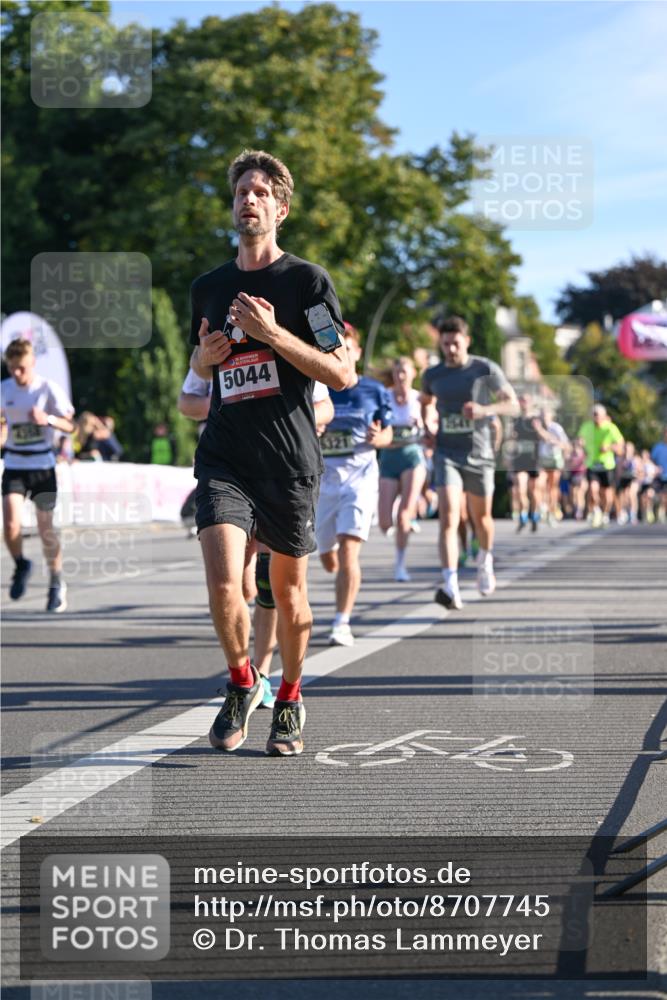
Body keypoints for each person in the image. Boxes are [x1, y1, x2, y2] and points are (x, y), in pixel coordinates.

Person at [188, 149, 347, 757]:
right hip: (225, 457)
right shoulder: (208, 288)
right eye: (240, 193)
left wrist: (272, 334)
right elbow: (199, 365)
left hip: (288, 460)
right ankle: (240, 682)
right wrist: (205, 359)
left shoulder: (306, 284)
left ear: (280, 208)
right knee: (227, 583)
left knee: (288, 594)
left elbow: (342, 373)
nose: (247, 200)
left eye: (259, 192)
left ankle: (290, 695)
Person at [178, 366, 334, 707]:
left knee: (269, 581)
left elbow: (326, 405)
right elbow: (186, 402)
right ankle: (244, 674)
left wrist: (284, 411)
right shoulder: (219, 322)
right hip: (228, 467)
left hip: (280, 467)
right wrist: (231, 404)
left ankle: (261, 674)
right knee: (237, 586)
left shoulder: (292, 329)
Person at [420, 316, 517, 609]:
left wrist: (485, 409)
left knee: (481, 519)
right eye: (446, 343)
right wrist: (428, 428)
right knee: (449, 517)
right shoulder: (432, 374)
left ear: (467, 341)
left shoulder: (484, 369)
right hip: (447, 452)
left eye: (455, 343)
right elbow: (424, 403)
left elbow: (512, 404)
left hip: (479, 454)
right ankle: (450, 584)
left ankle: (485, 561)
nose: (450, 349)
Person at [316, 323, 393, 645]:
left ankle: (341, 622)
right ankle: (333, 561)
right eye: (335, 350)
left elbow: (389, 433)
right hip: (323, 482)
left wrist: (381, 438)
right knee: (327, 557)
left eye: (346, 349)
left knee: (350, 552)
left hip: (360, 480)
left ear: (357, 353)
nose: (341, 355)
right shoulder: (319, 388)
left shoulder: (375, 391)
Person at [1, 338, 74, 611]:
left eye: (21, 368)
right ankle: (21, 564)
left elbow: (73, 426)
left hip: (43, 466)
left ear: (31, 363)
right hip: (15, 465)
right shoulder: (4, 389)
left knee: (46, 530)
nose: (16, 374)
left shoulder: (47, 388)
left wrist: (49, 419)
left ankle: (56, 581)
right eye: (11, 368)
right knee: (10, 526)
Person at [378, 356, 426, 582]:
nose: (401, 376)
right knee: (385, 522)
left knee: (404, 516)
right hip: (389, 457)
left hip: (411, 456)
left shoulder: (419, 399)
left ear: (413, 374)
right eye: (397, 372)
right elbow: (374, 421)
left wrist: (424, 426)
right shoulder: (384, 396)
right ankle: (407, 507)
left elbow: (432, 424)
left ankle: (400, 565)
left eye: (405, 372)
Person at [577, 404, 624, 527]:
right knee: (593, 490)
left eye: (597, 415)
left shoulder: (611, 428)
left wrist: (609, 447)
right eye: (593, 415)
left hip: (607, 465)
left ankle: (605, 513)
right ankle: (596, 511)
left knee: (607, 496)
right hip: (592, 464)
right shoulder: (587, 427)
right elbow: (580, 439)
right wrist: (580, 443)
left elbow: (620, 447)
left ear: (603, 416)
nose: (595, 417)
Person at [509, 394, 544, 533]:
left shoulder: (536, 420)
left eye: (525, 400)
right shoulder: (516, 420)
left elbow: (543, 437)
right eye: (521, 400)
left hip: (533, 460)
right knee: (520, 489)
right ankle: (523, 516)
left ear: (530, 403)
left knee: (534, 491)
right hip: (520, 459)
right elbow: (511, 439)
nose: (523, 403)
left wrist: (538, 429)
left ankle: (534, 515)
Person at [537, 405, 570, 525]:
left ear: (551, 416)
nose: (543, 416)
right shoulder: (536, 427)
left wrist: (554, 442)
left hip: (554, 461)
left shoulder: (556, 428)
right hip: (542, 460)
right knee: (539, 484)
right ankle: (543, 506)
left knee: (552, 487)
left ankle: (552, 510)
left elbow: (566, 445)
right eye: (541, 414)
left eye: (545, 414)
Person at [650, 425, 667, 524]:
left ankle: (664, 514)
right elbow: (651, 460)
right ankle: (656, 511)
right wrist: (655, 468)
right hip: (659, 476)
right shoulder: (658, 447)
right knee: (658, 497)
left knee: (665, 496)